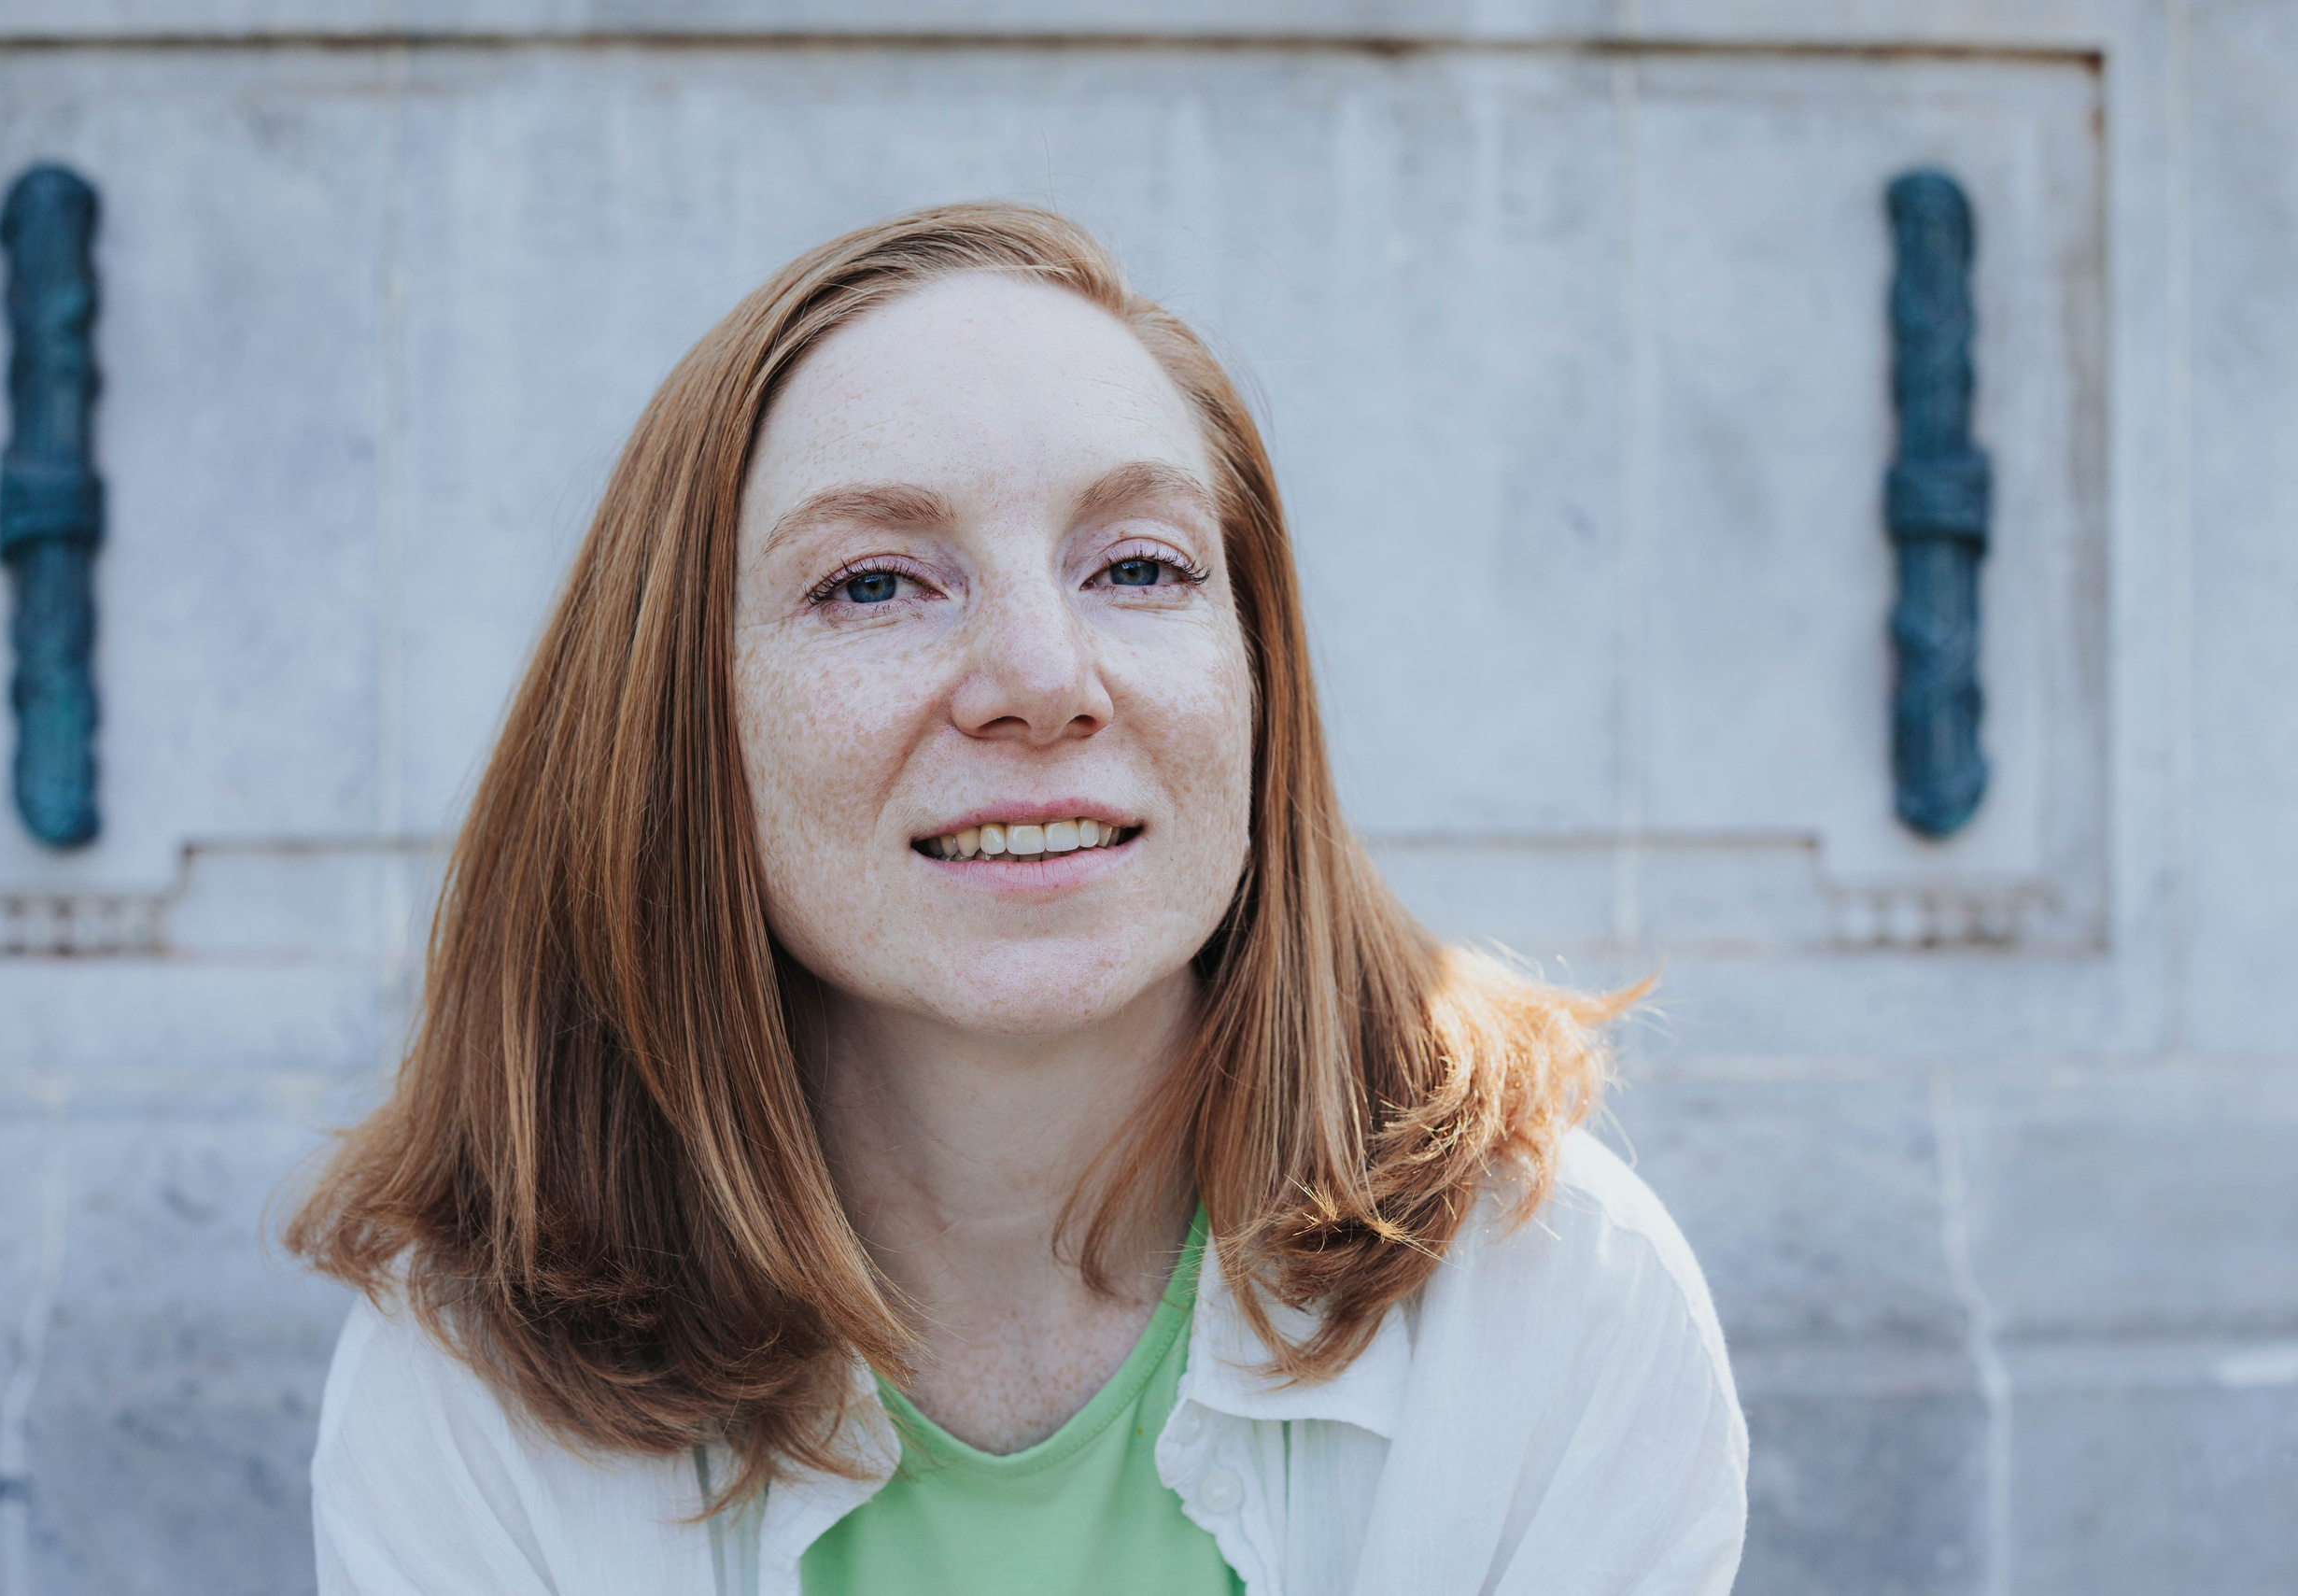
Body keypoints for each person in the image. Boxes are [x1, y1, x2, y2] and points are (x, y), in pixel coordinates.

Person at [288, 203, 1746, 1596]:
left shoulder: (1561, 1304)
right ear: (684, 731)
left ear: (1259, 690)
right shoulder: (472, 1374)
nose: (1043, 678)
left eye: (1137, 565)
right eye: (873, 584)